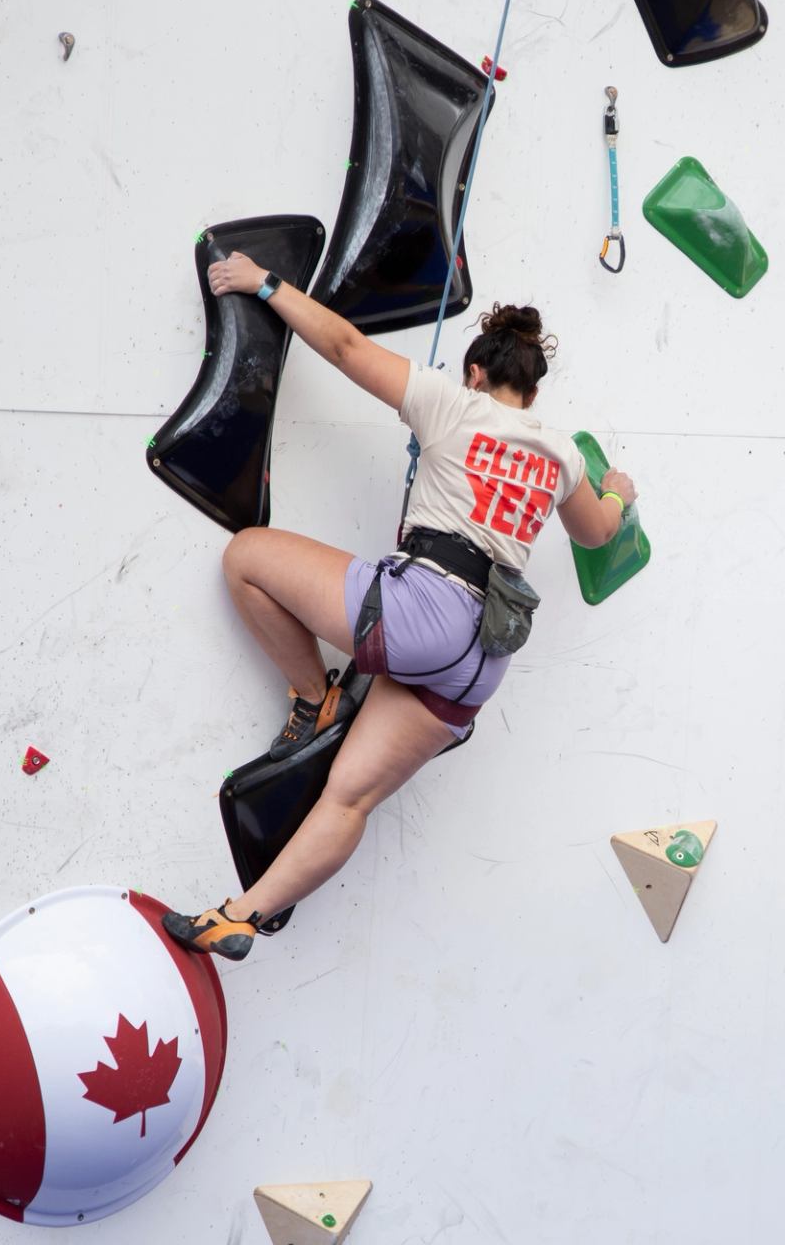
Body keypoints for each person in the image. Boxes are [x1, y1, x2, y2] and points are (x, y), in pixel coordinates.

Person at [163, 252, 637, 961]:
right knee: (348, 800)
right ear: (531, 397)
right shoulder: (561, 454)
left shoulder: (452, 402)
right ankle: (240, 916)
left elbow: (346, 348)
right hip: (482, 664)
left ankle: (311, 698)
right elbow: (597, 532)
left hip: (425, 614)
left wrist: (264, 283)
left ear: (475, 372)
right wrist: (620, 494)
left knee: (247, 558)